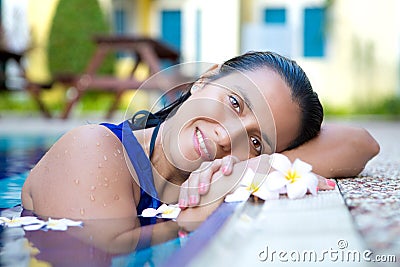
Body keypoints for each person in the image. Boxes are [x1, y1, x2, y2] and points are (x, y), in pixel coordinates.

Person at [20, 51, 379, 251]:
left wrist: (256, 167)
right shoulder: (93, 150)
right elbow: (101, 250)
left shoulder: (230, 171)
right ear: (205, 79)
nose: (228, 136)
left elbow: (361, 143)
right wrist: (185, 223)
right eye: (236, 103)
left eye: (255, 141)